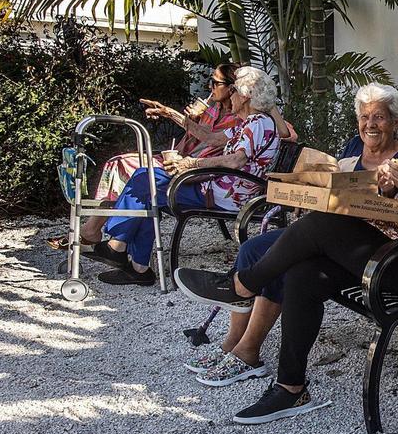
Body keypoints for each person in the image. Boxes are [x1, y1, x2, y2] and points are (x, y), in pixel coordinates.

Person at [175, 55, 398, 424]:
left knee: (324, 224)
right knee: (305, 271)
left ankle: (240, 285)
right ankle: (291, 388)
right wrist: (390, 187)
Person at [186, 82, 398, 387]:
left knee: (290, 259)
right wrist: (306, 193)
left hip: (360, 246)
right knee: (254, 249)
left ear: (396, 121)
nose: (370, 125)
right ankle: (233, 342)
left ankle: (248, 350)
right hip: (325, 231)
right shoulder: (351, 150)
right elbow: (331, 189)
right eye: (364, 117)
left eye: (379, 118)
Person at [91, 66, 282, 286]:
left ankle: (120, 249)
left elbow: (235, 160)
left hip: (224, 196)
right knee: (147, 185)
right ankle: (135, 265)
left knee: (146, 179)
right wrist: (169, 113)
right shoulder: (249, 123)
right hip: (216, 188)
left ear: (246, 96)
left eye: (234, 92)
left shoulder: (258, 123)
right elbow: (209, 137)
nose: (231, 96)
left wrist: (191, 164)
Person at [46, 63, 243, 250]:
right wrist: (191, 116)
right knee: (117, 165)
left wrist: (172, 114)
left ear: (232, 87)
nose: (210, 87)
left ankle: (102, 236)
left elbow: (209, 138)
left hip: (193, 171)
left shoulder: (239, 119)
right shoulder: (213, 109)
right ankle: (101, 234)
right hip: (178, 160)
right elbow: (196, 133)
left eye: (216, 83)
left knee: (130, 170)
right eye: (210, 81)